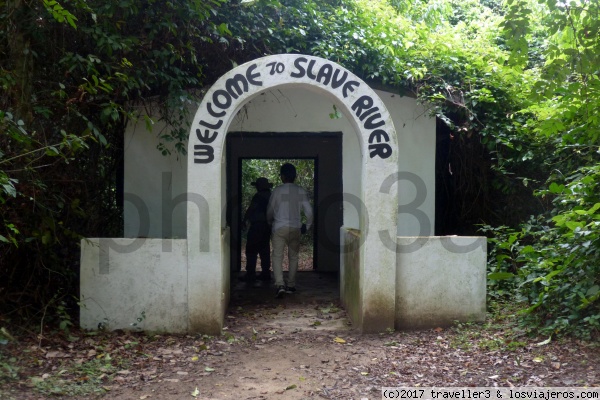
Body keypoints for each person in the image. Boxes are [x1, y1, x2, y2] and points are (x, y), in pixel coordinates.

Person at [267, 163, 313, 298]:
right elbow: (309, 212)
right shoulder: (300, 191)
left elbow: (269, 211)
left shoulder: (277, 191)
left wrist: (269, 222)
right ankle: (291, 286)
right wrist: (307, 226)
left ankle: (280, 284)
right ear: (295, 176)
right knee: (293, 257)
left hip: (279, 228)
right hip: (295, 227)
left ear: (282, 176)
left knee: (277, 256)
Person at [240, 177, 273, 283]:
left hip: (257, 225)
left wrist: (245, 220)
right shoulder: (271, 196)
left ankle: (250, 274)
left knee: (251, 249)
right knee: (264, 249)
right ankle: (265, 273)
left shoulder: (258, 196)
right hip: (267, 226)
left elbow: (251, 209)